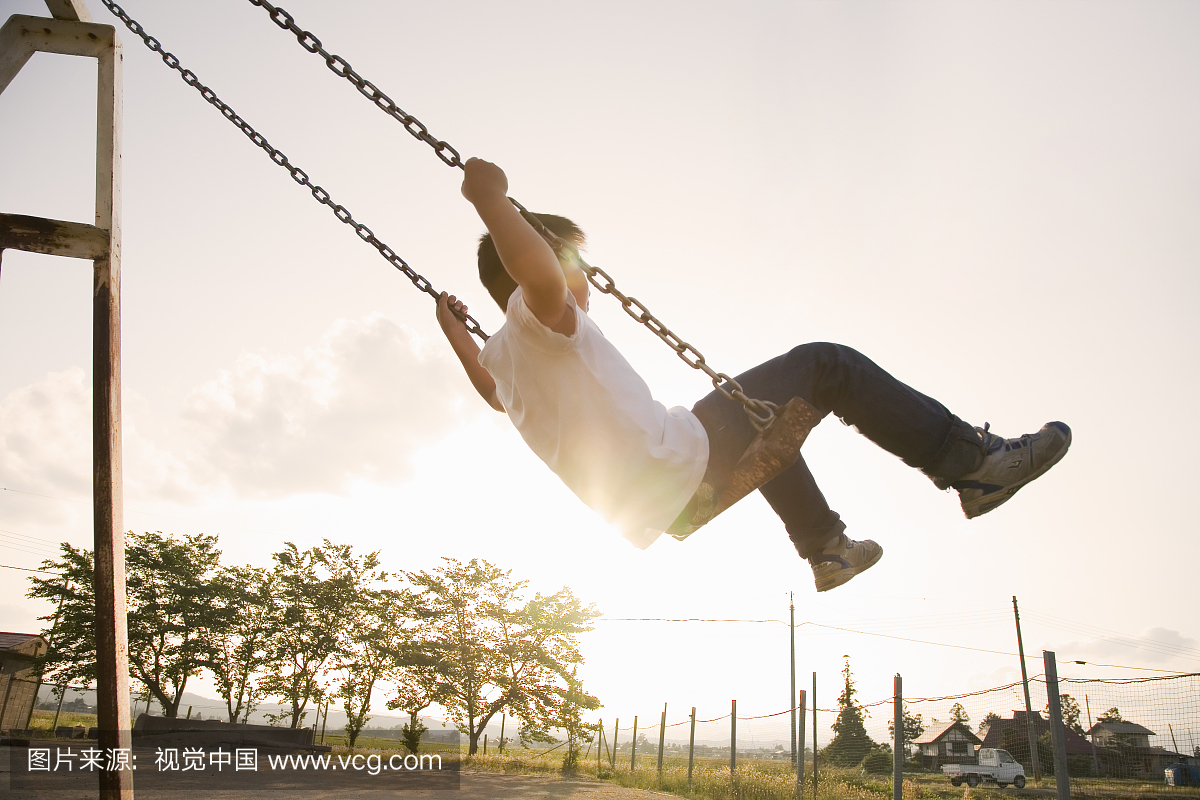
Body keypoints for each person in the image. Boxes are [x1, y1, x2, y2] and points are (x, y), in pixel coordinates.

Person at [436, 158, 1071, 592]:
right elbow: (541, 278)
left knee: (760, 416)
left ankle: (826, 548)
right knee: (825, 364)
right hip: (682, 464)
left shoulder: (506, 359)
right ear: (541, 263)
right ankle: (973, 463)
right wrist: (490, 199)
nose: (585, 281)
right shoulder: (541, 317)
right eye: (572, 262)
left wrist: (453, 329)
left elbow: (490, 394)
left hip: (666, 504)